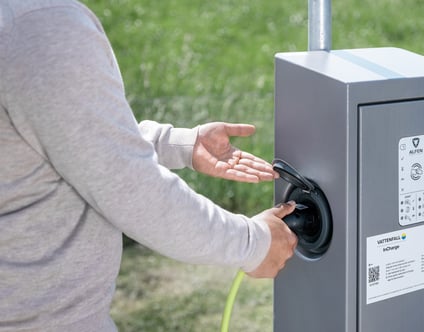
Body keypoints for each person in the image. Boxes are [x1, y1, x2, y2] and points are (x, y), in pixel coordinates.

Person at [0, 0, 297, 331]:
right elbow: (132, 190)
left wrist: (174, 144)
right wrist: (252, 243)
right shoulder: (39, 27)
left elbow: (67, 138)